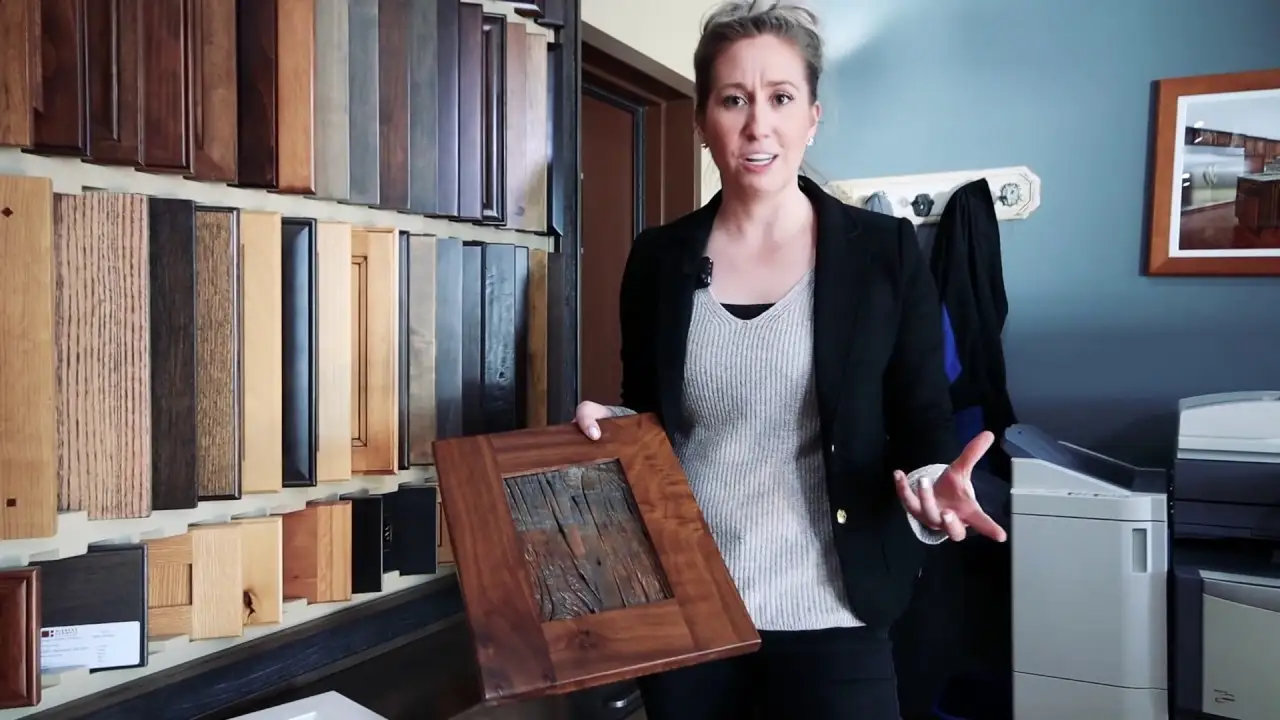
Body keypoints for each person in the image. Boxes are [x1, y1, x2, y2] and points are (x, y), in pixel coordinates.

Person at [572, 1, 1007, 718]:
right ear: (701, 117)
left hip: (837, 611)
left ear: (812, 115)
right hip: (690, 611)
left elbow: (923, 418)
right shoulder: (658, 259)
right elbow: (653, 416)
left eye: (780, 98)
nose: (756, 125)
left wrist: (934, 491)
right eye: (733, 99)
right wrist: (609, 425)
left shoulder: (886, 253)